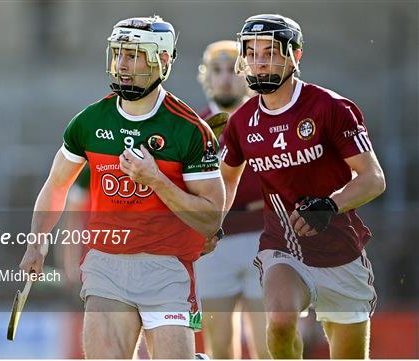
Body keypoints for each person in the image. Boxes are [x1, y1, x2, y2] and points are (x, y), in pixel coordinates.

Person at [19, 15, 224, 359]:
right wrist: (36, 244)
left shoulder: (189, 130)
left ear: (161, 60)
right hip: (106, 265)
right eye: (117, 54)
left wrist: (155, 180)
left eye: (133, 55)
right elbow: (57, 185)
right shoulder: (89, 122)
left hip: (166, 266)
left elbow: (211, 219)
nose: (121, 64)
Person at [219, 14, 386, 359]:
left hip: (341, 252)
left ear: (296, 56)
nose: (259, 61)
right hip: (283, 247)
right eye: (251, 52)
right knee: (280, 320)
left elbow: (373, 179)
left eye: (270, 52)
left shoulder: (331, 108)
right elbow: (224, 182)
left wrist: (330, 205)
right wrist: (206, 227)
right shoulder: (240, 122)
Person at [194, 40, 269, 359]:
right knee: (220, 348)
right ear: (206, 77)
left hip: (265, 241)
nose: (226, 78)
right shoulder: (195, 127)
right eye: (217, 70)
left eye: (234, 70)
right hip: (214, 245)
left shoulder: (267, 120)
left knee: (270, 344)